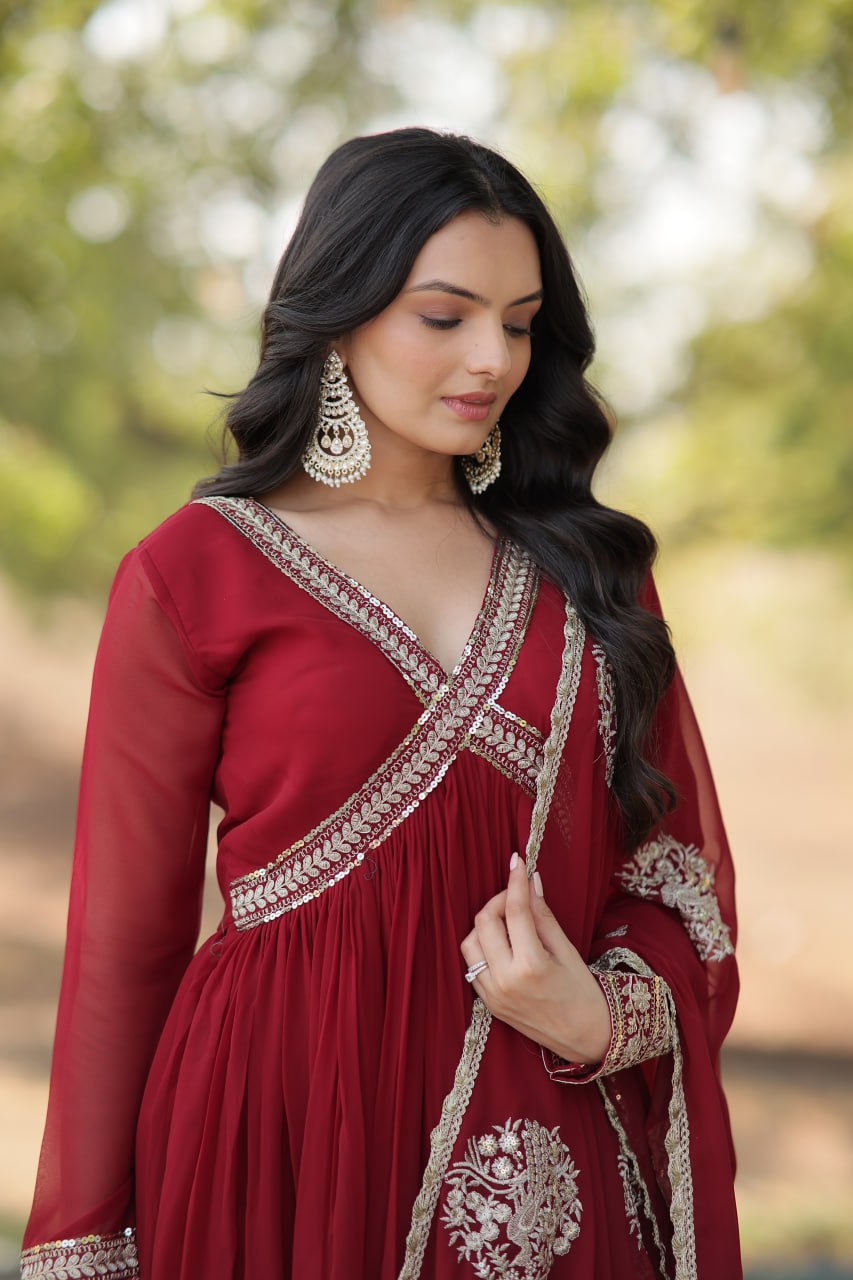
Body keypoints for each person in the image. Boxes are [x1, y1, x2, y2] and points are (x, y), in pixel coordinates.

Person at [20, 127, 741, 1280]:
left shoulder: (589, 572)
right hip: (277, 1140)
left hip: (538, 1144)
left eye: (518, 321)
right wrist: (82, 1248)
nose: (491, 358)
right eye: (444, 315)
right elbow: (124, 943)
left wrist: (596, 1018)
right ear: (341, 310)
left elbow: (674, 873)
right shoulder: (194, 571)